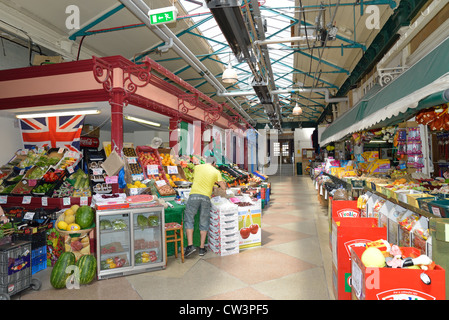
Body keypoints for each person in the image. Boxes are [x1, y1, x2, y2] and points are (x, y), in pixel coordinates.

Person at [184, 155, 226, 257]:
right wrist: (217, 186)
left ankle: (190, 246)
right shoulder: (216, 172)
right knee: (204, 221)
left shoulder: (197, 167)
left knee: (189, 219)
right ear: (214, 164)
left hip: (194, 195)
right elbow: (223, 187)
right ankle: (202, 249)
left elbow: (198, 179)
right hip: (206, 198)